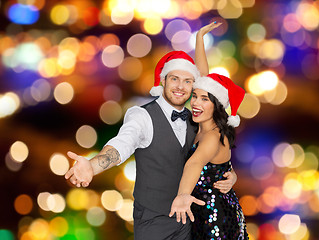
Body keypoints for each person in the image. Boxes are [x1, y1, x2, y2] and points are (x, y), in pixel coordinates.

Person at [64, 22, 237, 240]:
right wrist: (93, 165)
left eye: (187, 81)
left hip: (193, 220)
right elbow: (122, 145)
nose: (180, 87)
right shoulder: (142, 116)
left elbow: (206, 85)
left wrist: (228, 175)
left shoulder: (197, 117)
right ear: (162, 81)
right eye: (174, 79)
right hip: (155, 224)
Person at [168, 72, 249, 239]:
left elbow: (195, 164)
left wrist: (183, 194)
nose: (196, 103)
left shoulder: (213, 136)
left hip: (216, 218)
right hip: (202, 213)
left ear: (217, 105)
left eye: (205, 99)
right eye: (195, 96)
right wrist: (233, 176)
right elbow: (223, 167)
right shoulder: (201, 127)